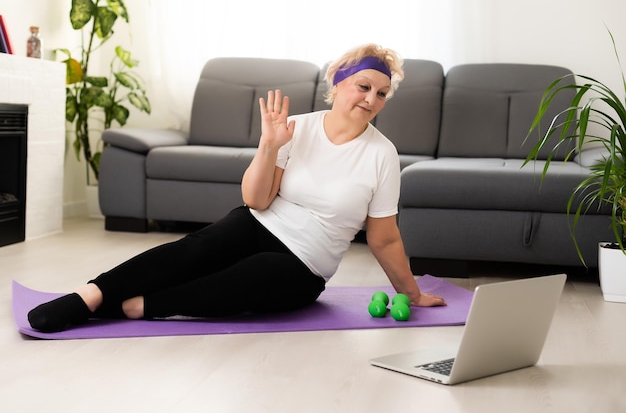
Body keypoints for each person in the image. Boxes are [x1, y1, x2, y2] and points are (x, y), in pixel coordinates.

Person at [28, 43, 446, 333]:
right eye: (364, 86)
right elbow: (255, 200)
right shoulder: (296, 126)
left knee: (250, 276)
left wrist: (412, 293)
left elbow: (384, 237)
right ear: (338, 81)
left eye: (382, 93)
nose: (372, 98)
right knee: (196, 250)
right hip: (259, 222)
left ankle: (143, 306)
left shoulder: (382, 154)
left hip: (305, 265)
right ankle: (90, 295)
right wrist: (269, 145)